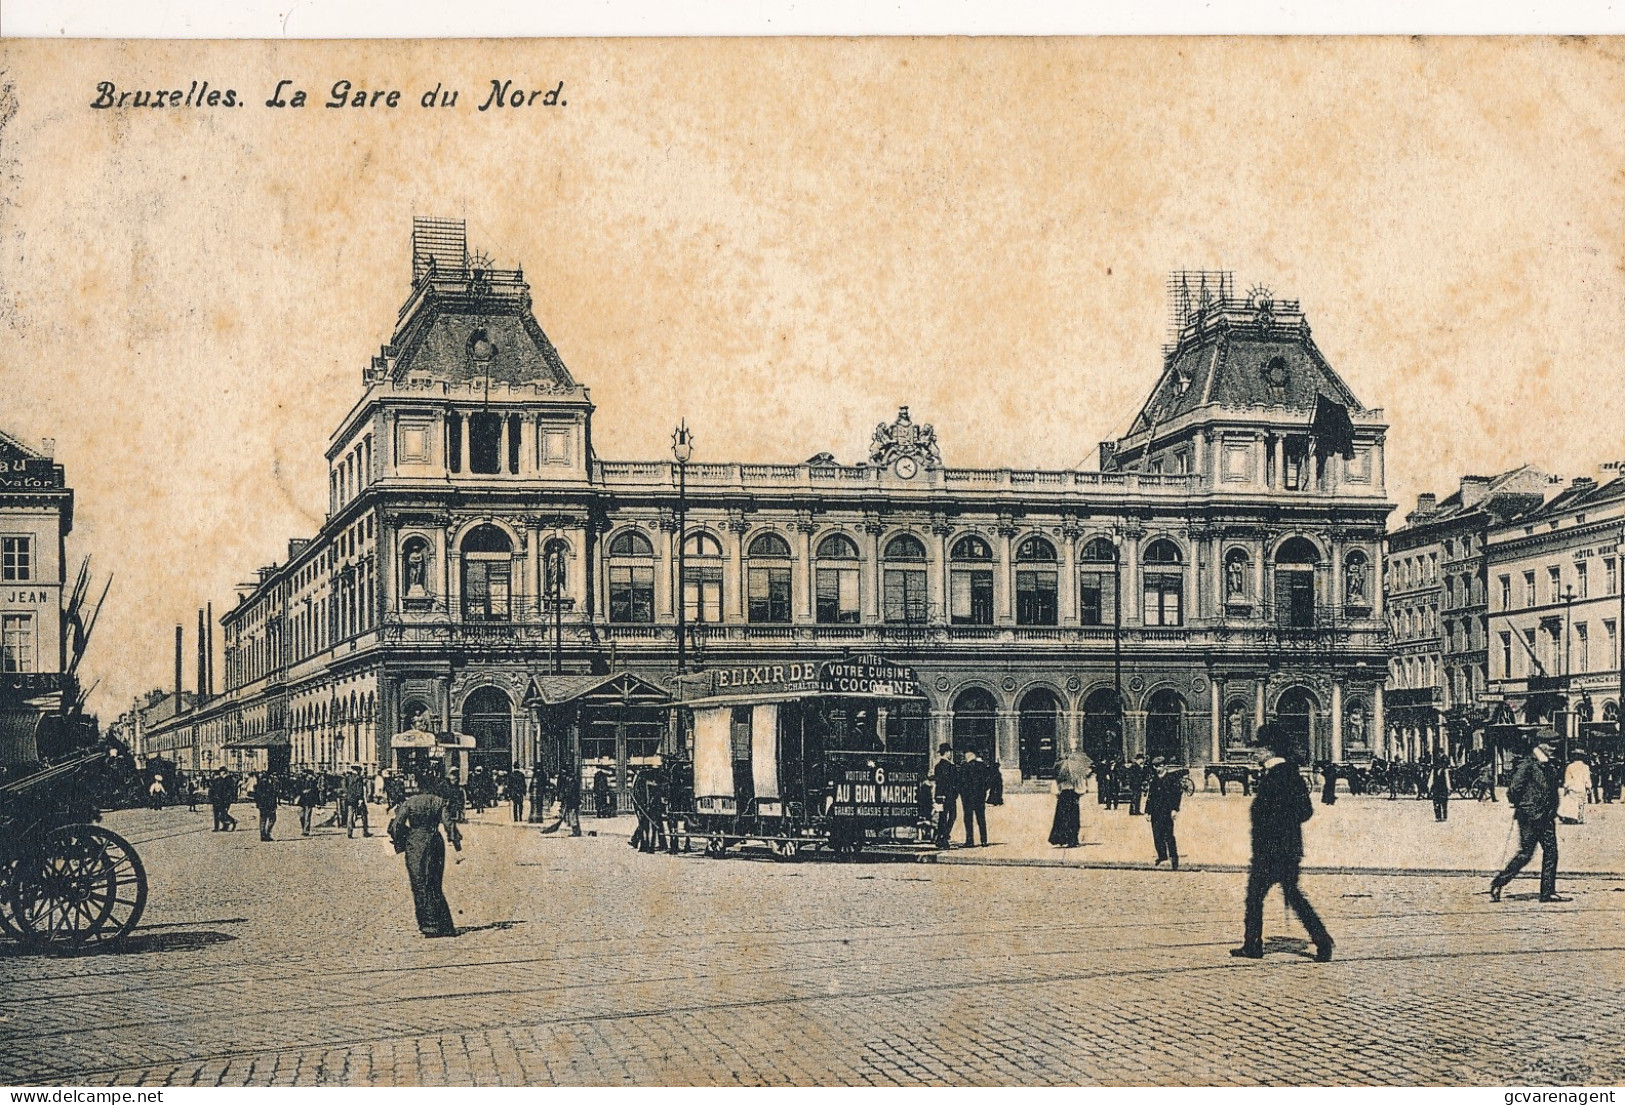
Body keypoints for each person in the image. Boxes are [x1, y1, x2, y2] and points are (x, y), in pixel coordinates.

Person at [1231, 723, 1334, 962]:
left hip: (1272, 852)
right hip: (1286, 850)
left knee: (1255, 897)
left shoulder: (1280, 775)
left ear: (1268, 750)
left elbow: (1302, 811)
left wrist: (1277, 825)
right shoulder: (1289, 773)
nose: (1253, 753)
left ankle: (1253, 946)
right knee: (1292, 896)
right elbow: (1304, 811)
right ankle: (1322, 940)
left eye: (1257, 749)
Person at [387, 770, 464, 938]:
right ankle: (445, 926)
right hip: (435, 843)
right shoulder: (438, 802)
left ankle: (429, 925)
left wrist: (401, 840)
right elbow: (449, 825)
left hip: (415, 845)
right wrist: (457, 846)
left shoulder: (409, 802)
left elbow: (397, 826)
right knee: (435, 884)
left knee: (419, 884)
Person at [1490, 739, 1568, 903]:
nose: (1553, 748)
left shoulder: (1547, 764)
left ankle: (1547, 893)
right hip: (1530, 817)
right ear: (1541, 745)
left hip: (1546, 817)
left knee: (1551, 853)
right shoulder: (1528, 763)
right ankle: (1499, 882)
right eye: (1550, 745)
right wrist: (1524, 805)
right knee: (1526, 854)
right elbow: (1513, 789)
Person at [1146, 756, 1184, 869]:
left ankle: (1174, 858)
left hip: (1167, 812)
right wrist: (1147, 812)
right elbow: (1150, 796)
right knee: (1157, 835)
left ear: (1164, 766)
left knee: (1169, 836)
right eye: (1155, 766)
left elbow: (1177, 795)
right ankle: (1162, 856)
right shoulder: (1154, 780)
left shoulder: (1171, 779)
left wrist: (1174, 809)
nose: (1157, 768)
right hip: (1155, 812)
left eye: (1160, 766)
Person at [1048, 754, 1084, 848]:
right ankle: (1073, 839)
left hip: (1063, 795)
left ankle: (1062, 838)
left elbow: (1056, 788)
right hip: (1072, 794)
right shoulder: (1075, 773)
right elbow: (1080, 787)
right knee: (1073, 817)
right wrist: (1079, 794)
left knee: (1062, 817)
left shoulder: (1060, 773)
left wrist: (1058, 794)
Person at [960, 748, 990, 847]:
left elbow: (961, 783)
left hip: (967, 798)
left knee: (968, 819)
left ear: (969, 755)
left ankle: (970, 840)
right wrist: (983, 792)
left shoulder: (964, 767)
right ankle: (984, 840)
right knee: (981, 818)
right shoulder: (983, 766)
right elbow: (987, 782)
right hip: (979, 797)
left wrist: (962, 793)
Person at [932, 744, 958, 848]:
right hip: (949, 796)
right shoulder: (950, 766)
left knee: (942, 817)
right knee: (952, 816)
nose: (950, 754)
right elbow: (952, 782)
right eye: (949, 752)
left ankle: (939, 838)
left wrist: (938, 795)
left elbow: (939, 782)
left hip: (940, 795)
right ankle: (944, 837)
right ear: (947, 753)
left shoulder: (938, 766)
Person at [1559, 751, 1591, 825]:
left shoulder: (1570, 766)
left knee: (1572, 804)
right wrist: (1588, 787)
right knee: (1581, 803)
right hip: (1581, 788)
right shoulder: (1585, 767)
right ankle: (1580, 818)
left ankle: (1573, 818)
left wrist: (1566, 788)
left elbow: (1568, 779)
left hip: (1572, 788)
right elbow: (1587, 779)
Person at [208, 767, 238, 832]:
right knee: (216, 813)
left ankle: (232, 821)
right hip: (216, 799)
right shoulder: (218, 780)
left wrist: (230, 798)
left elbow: (231, 790)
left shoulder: (229, 780)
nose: (221, 774)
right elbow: (212, 789)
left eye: (223, 772)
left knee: (223, 814)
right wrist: (211, 796)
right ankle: (217, 827)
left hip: (224, 800)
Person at [345, 767, 371, 838]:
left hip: (350, 799)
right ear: (358, 770)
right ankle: (365, 832)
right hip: (358, 799)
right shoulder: (359, 778)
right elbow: (359, 788)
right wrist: (360, 799)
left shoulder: (348, 777)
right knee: (364, 814)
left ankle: (349, 832)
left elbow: (346, 787)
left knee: (350, 815)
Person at [255, 771, 279, 842]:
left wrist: (258, 804)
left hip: (262, 805)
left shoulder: (259, 783)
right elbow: (273, 795)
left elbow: (257, 795)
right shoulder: (269, 784)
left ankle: (263, 835)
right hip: (269, 805)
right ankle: (267, 833)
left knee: (263, 819)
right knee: (272, 819)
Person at [1429, 757, 1452, 822]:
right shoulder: (1434, 771)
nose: (1439, 765)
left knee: (1444, 802)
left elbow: (1447, 780)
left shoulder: (1445, 771)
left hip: (1443, 788)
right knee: (1436, 802)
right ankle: (1438, 816)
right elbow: (1431, 780)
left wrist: (1449, 788)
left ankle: (1444, 816)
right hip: (1436, 788)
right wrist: (1429, 787)